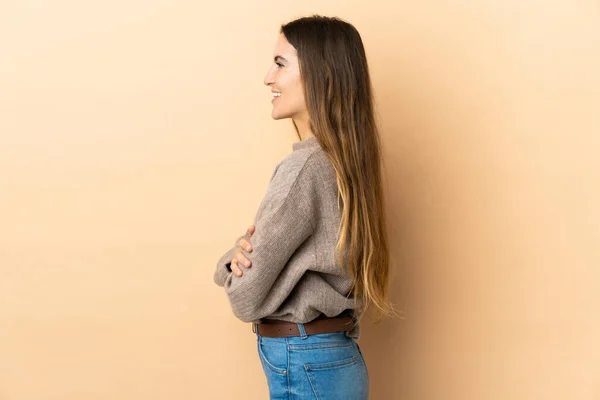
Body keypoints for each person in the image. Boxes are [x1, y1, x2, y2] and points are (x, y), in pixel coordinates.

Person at [213, 14, 397, 399]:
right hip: (334, 360)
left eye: (280, 64)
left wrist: (231, 263)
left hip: (307, 361)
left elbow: (245, 299)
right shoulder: (343, 161)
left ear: (321, 74)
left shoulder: (305, 168)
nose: (268, 77)